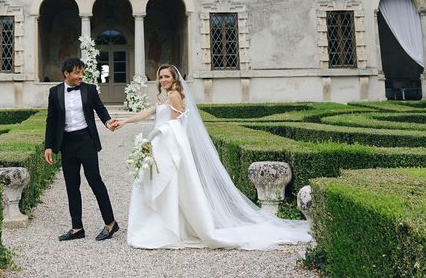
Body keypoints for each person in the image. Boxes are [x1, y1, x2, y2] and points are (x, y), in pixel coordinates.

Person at [117, 64, 312, 249]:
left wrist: (152, 138)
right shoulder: (165, 97)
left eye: (166, 76)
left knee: (170, 186)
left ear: (174, 77)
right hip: (161, 145)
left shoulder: (175, 95)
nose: (163, 79)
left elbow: (175, 125)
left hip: (169, 146)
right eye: (160, 77)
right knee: (165, 186)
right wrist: (124, 122)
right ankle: (167, 227)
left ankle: (169, 229)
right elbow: (146, 113)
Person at [44, 57, 122, 241]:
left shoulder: (90, 89)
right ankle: (77, 228)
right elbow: (51, 120)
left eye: (82, 72)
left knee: (95, 182)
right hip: (66, 144)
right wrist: (48, 146)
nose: (81, 76)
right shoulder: (54, 92)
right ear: (67, 73)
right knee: (72, 186)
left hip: (86, 140)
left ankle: (111, 224)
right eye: (77, 72)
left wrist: (108, 121)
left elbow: (100, 109)